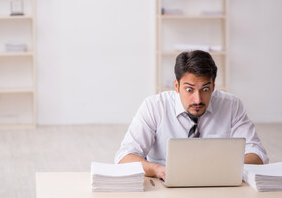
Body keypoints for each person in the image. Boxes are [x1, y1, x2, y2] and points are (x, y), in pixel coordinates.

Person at [114, 50, 269, 181]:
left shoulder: (232, 105)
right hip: (165, 184)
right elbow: (125, 157)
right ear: (176, 86)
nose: (198, 99)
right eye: (189, 90)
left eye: (205, 89)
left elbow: (256, 153)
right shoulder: (154, 106)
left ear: (214, 85)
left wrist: (226, 169)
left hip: (218, 184)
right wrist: (157, 170)